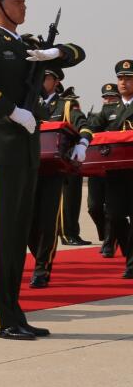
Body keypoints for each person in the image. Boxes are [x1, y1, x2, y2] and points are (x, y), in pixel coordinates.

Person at [0, 0, 84, 340]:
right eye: (17, 0)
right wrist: (12, 110)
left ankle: (14, 312)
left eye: (24, 0)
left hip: (26, 149)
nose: (24, 5)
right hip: (0, 149)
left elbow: (78, 54)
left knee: (17, 234)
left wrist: (53, 52)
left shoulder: (25, 44)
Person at [27, 67, 87, 287]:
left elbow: (84, 126)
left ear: (56, 81)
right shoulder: (26, 101)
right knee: (27, 222)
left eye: (46, 78)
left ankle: (42, 267)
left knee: (46, 220)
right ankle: (39, 258)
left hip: (53, 171)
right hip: (27, 168)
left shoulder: (66, 105)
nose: (41, 81)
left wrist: (82, 143)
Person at [81, 63, 133, 278]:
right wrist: (83, 136)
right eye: (120, 78)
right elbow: (92, 126)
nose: (123, 82)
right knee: (115, 215)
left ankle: (131, 264)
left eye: (128, 78)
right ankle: (129, 253)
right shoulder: (109, 110)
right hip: (116, 172)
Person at [86, 83, 122, 257]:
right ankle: (106, 235)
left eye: (112, 97)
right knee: (94, 207)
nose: (108, 101)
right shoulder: (97, 117)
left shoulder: (123, 116)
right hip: (97, 169)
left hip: (116, 169)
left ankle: (109, 241)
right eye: (106, 97)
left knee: (112, 209)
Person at [57, 85, 89, 246]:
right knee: (68, 200)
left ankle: (70, 233)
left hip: (70, 158)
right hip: (60, 159)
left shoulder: (67, 106)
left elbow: (81, 126)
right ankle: (67, 233)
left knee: (72, 199)